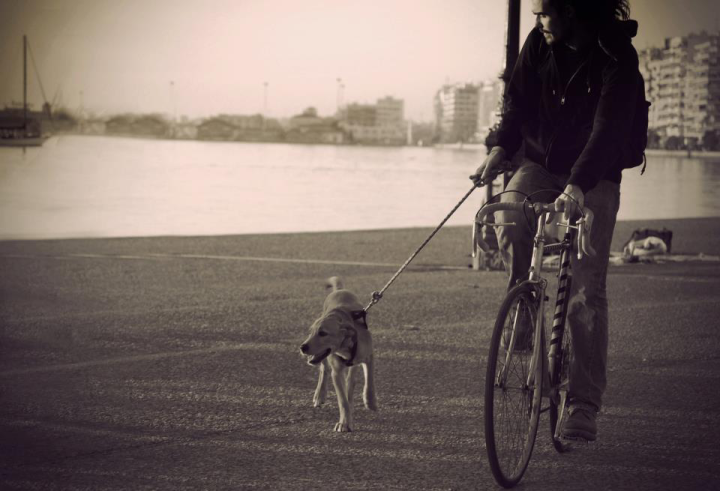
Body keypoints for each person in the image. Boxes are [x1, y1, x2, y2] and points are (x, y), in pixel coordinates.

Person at [472, 0, 642, 442]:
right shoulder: (538, 43)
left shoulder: (617, 55)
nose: (538, 21)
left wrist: (578, 186)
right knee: (509, 214)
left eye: (544, 12)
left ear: (572, 10)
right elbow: (516, 103)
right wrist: (499, 147)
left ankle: (583, 404)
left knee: (586, 287)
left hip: (597, 172)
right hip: (540, 163)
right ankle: (525, 313)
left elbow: (610, 129)